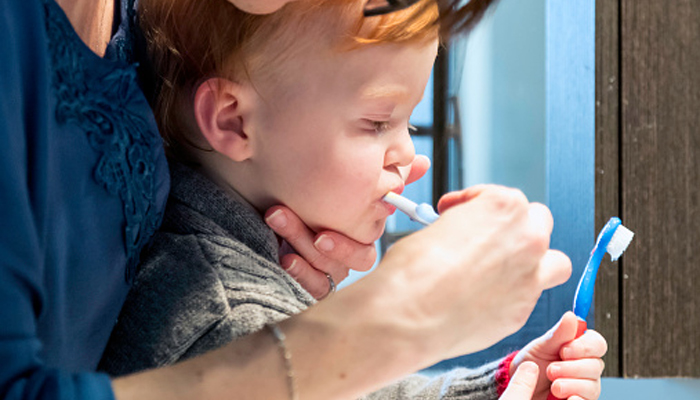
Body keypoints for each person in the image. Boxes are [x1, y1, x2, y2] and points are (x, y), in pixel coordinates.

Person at [0, 0, 578, 399]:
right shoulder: (223, 314)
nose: (411, 158)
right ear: (230, 121)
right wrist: (395, 316)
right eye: (377, 121)